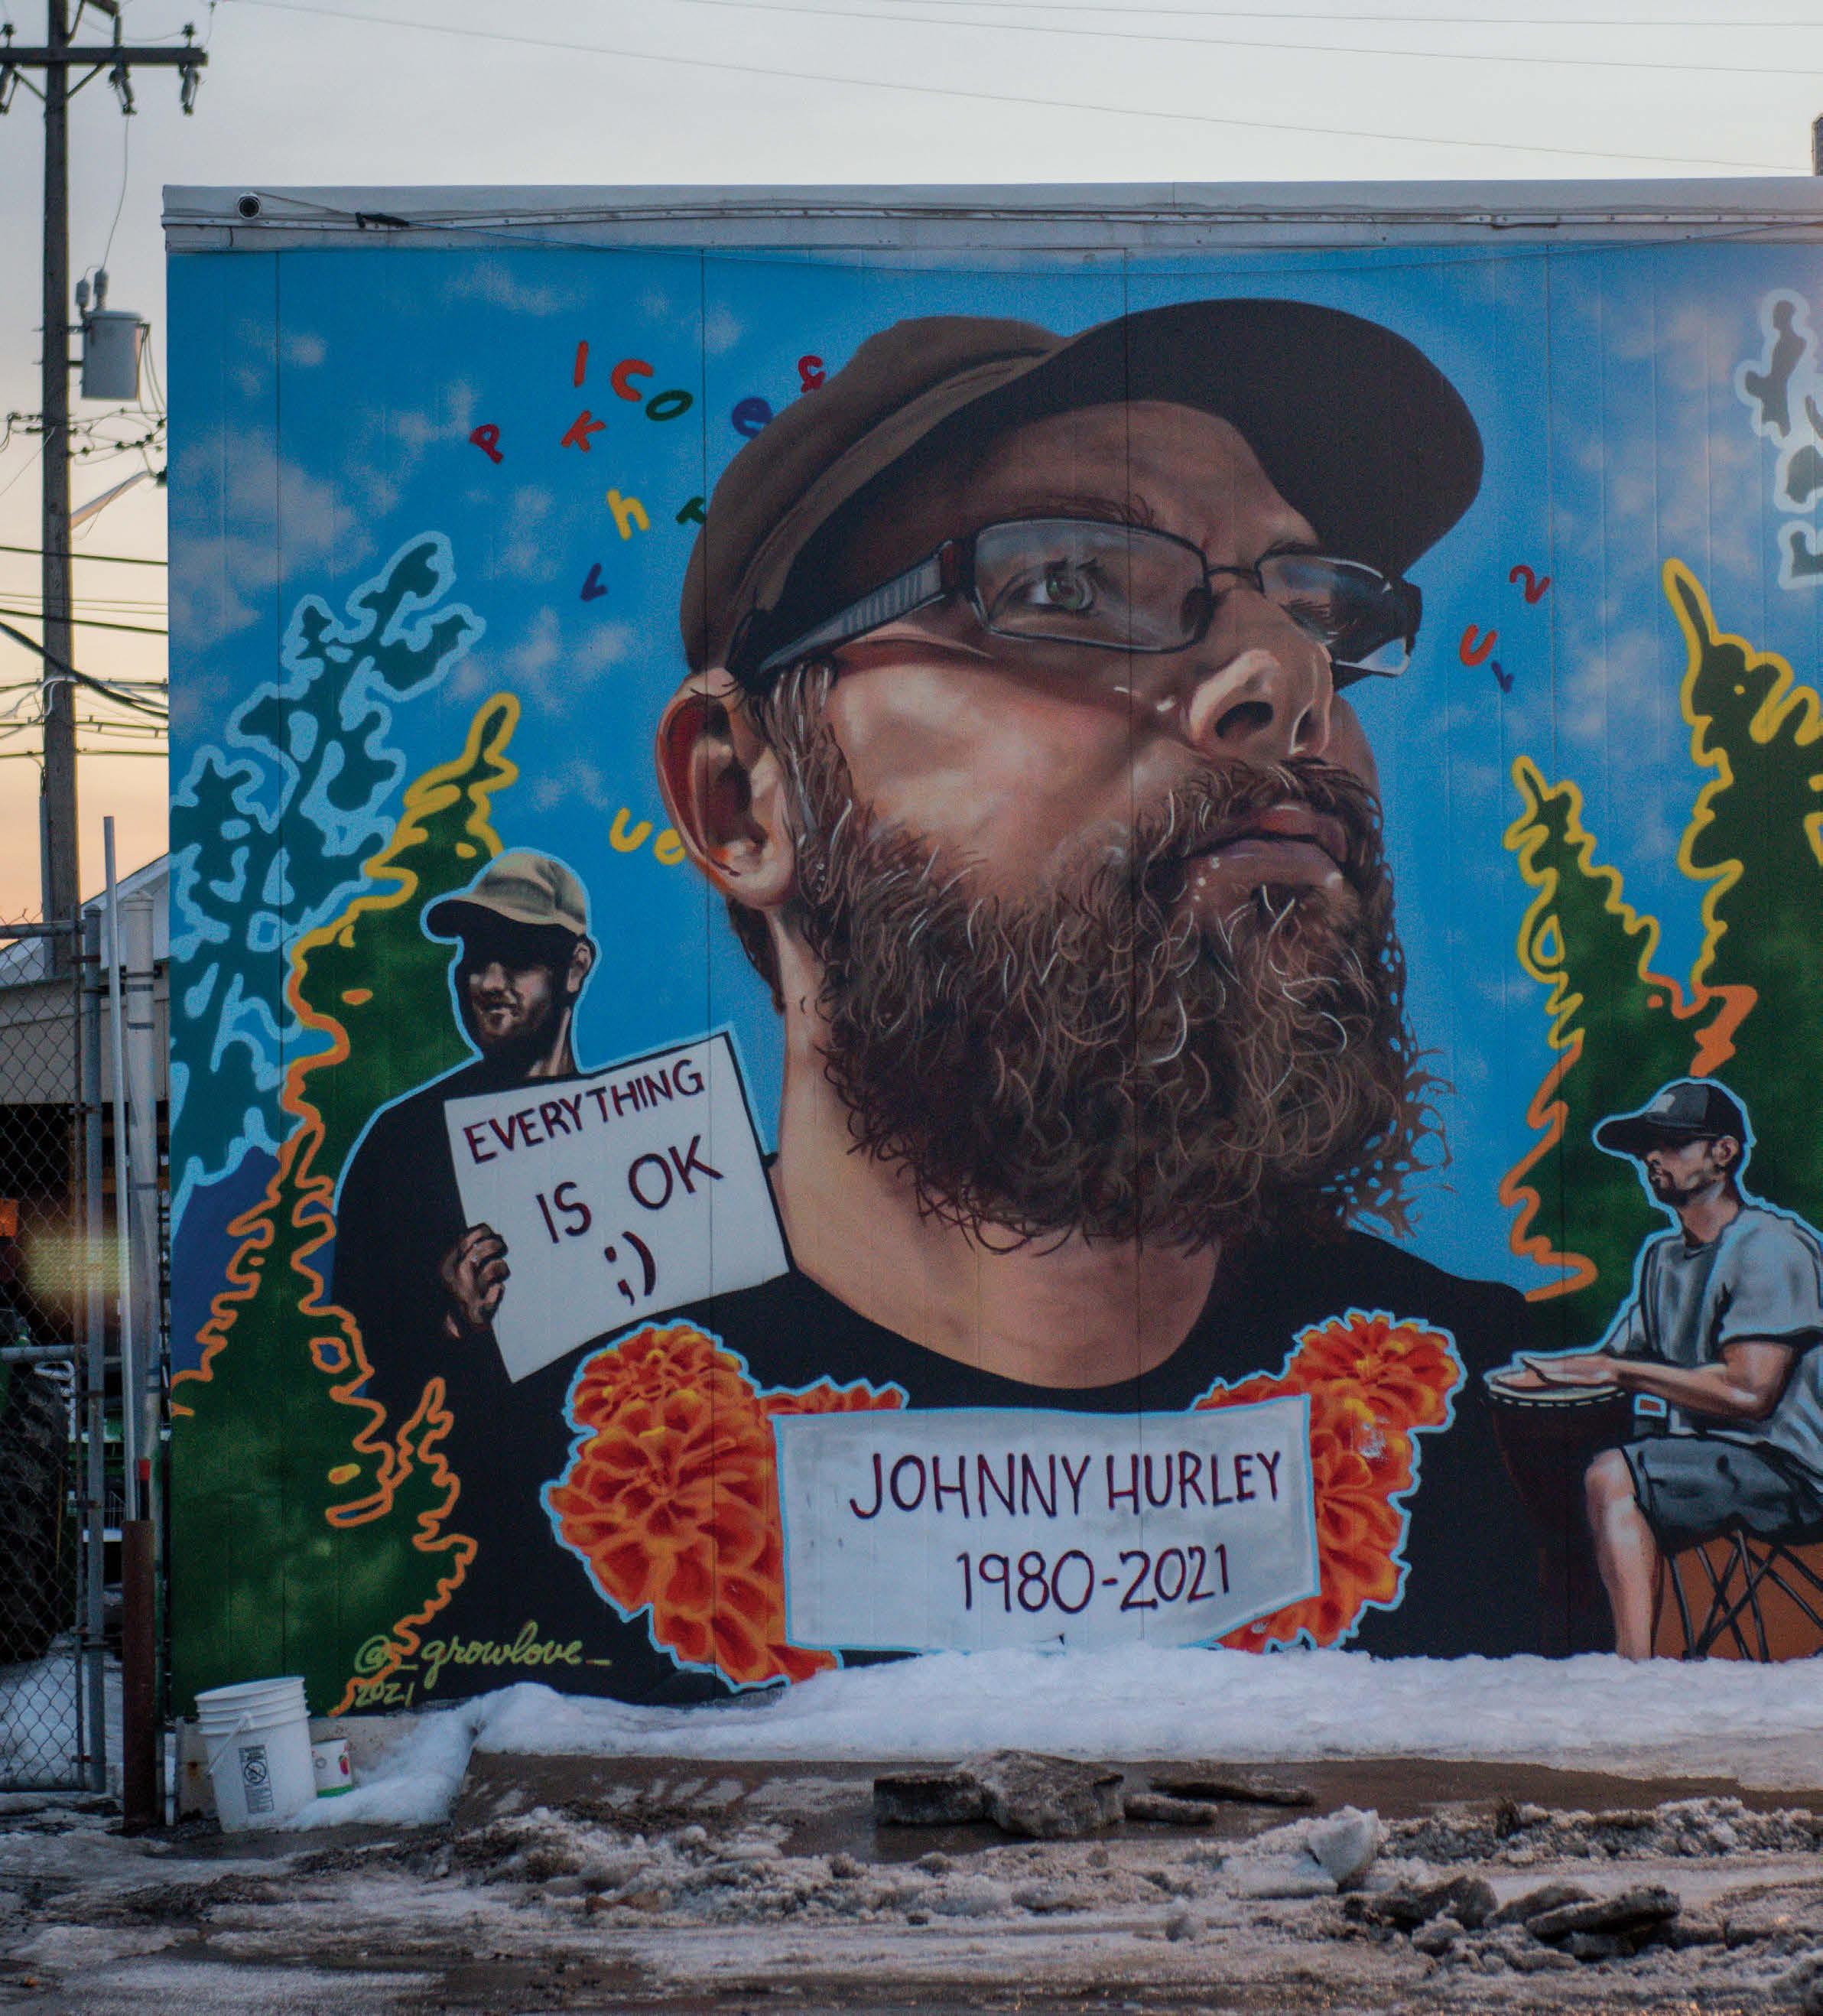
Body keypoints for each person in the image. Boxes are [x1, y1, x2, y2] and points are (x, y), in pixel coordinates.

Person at [619, 297, 1542, 1662]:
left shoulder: (1508, 1439)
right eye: (1065, 586)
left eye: (1314, 614)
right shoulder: (505, 1466)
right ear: (739, 800)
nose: (1288, 678)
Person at [330, 850, 596, 1621]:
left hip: (614, 1530)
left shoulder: (633, 1138)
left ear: (575, 968)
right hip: (455, 1547)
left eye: (519, 957)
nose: (487, 980)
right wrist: (446, 1323)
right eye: (475, 957)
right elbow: (346, 1381)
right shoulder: (402, 1145)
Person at [1529, 1080, 1823, 1658]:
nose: (1652, 1159)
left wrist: (1620, 1374)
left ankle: (1635, 1671)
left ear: (1724, 1152)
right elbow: (1614, 1359)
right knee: (1579, 1461)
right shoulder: (1663, 1259)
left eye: (1672, 1144)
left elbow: (1750, 1392)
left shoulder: (1770, 1247)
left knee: (1612, 1475)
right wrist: (1529, 1380)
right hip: (1710, 1463)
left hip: (1793, 1473)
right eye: (1646, 1148)